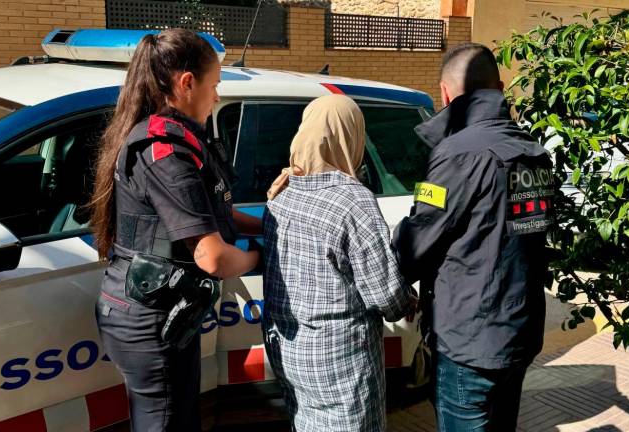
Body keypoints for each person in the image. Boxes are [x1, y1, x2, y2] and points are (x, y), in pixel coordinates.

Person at [88, 29, 261, 431]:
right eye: (214, 85)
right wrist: (260, 257)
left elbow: (214, 213)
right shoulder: (164, 152)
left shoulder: (178, 141)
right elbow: (212, 257)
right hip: (149, 319)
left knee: (181, 419)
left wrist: (271, 222)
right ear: (187, 83)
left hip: (164, 310)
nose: (216, 97)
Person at [392, 43, 555, 432]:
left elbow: (418, 240)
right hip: (518, 331)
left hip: (469, 339)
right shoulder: (533, 152)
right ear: (500, 87)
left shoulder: (458, 154)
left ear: (445, 95)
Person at [262, 94, 417, 432]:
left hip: (290, 352)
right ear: (351, 136)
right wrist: (409, 301)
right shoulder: (353, 200)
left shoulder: (281, 193)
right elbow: (385, 295)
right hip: (341, 360)